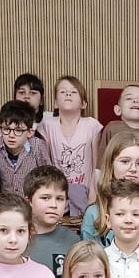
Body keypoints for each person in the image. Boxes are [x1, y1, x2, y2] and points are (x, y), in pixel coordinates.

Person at [82, 130, 139, 251]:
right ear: (110, 164)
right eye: (125, 161)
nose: (133, 169)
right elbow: (89, 257)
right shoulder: (94, 212)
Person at [37, 75, 102, 216]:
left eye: (73, 92)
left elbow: (96, 165)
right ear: (55, 103)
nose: (68, 94)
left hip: (85, 191)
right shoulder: (47, 125)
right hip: (57, 191)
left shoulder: (92, 125)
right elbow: (45, 163)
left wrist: (93, 193)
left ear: (83, 104)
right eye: (63, 91)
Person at [24, 165, 79, 278]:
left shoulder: (74, 241)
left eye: (59, 199)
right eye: (45, 198)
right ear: (28, 201)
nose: (53, 205)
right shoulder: (16, 240)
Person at [0, 100, 50, 196]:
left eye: (18, 130)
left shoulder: (37, 146)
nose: (11, 135)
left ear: (30, 132)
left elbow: (48, 176)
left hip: (30, 200)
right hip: (5, 201)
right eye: (7, 129)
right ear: (0, 130)